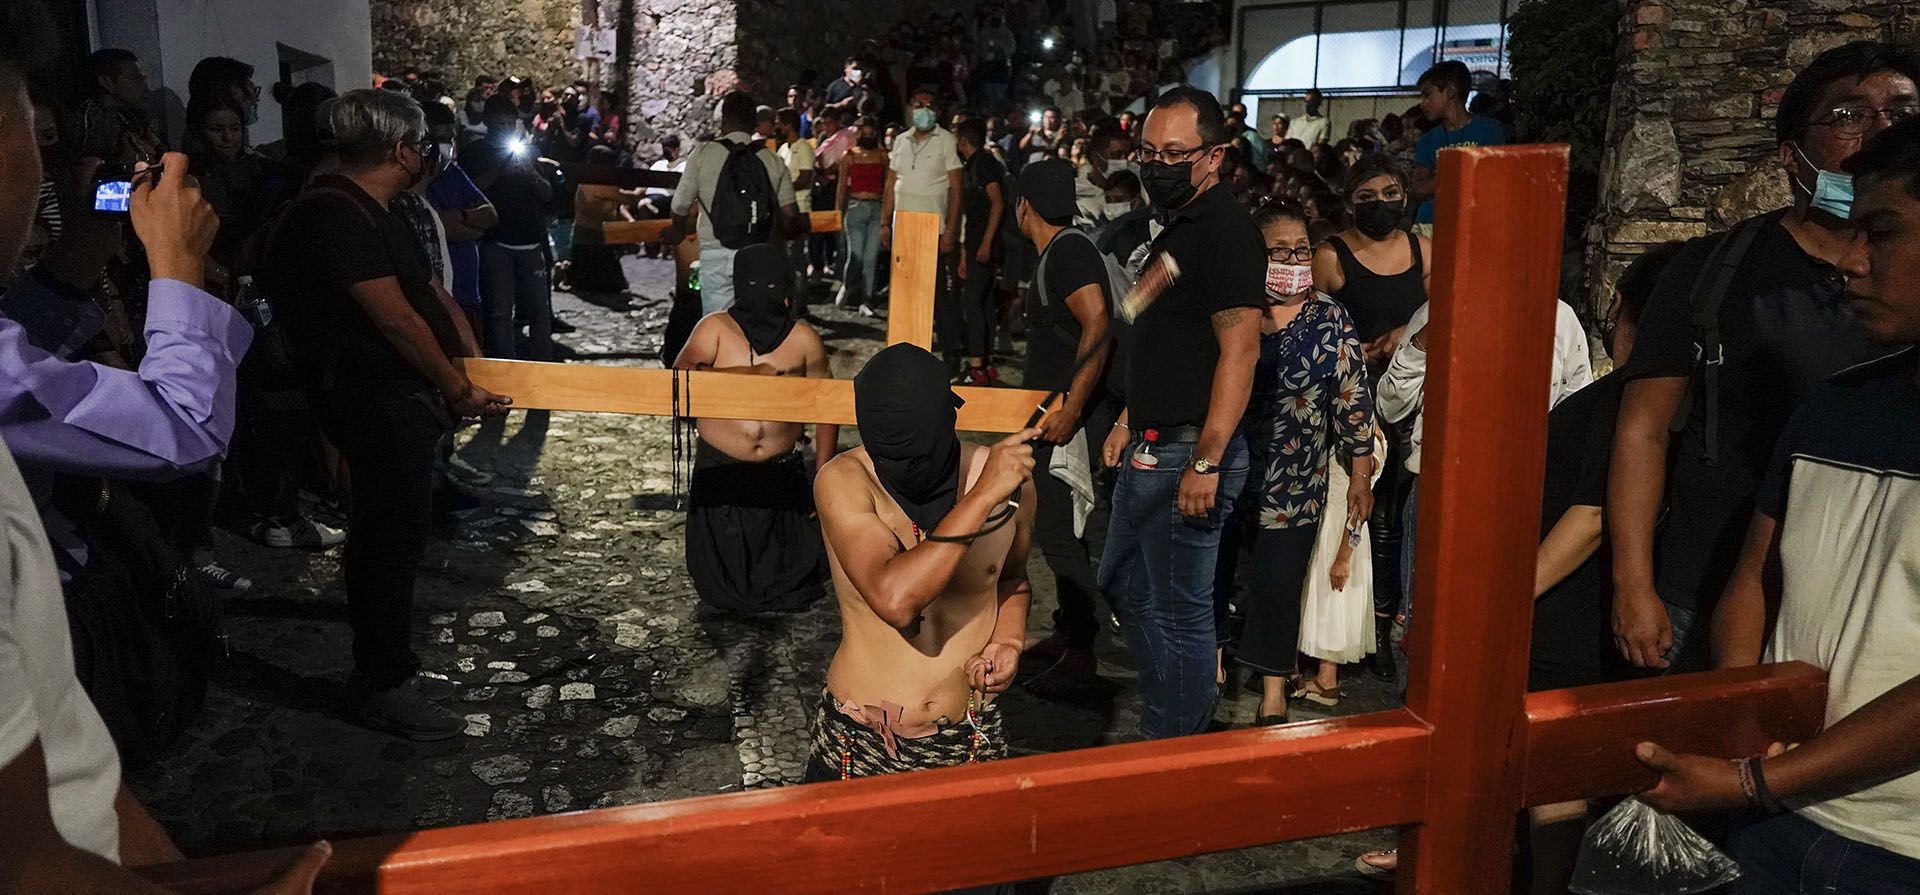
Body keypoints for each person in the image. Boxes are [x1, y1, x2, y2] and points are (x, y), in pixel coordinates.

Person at [1635, 117, 1920, 894]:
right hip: (1778, 823)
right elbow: (1753, 580)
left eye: (1881, 233)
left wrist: (1753, 780)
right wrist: (1745, 729)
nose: (1850, 261)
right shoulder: (1833, 407)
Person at [1607, 42, 1917, 674]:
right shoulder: (1712, 270)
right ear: (1789, 154)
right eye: (1849, 115)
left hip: (1862, 603)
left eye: (1903, 111)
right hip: (1705, 586)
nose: (1881, 129)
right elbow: (1642, 429)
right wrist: (1633, 584)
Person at [260, 88, 508, 741]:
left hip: (401, 401)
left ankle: (390, 667)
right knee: (386, 543)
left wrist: (470, 368)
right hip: (371, 402)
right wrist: (454, 385)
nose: (425, 156)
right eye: (420, 146)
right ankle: (383, 682)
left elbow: (428, 292)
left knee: (399, 536)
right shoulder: (333, 215)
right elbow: (394, 317)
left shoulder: (379, 209)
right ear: (401, 150)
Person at [1097, 87, 1265, 740]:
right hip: (1152, 441)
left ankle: (1174, 742)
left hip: (1188, 452)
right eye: (1148, 152)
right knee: (1124, 586)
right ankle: (1174, 713)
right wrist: (1127, 418)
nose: (1157, 165)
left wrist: (1207, 458)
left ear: (1214, 155)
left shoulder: (1225, 231)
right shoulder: (1180, 227)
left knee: (1179, 611)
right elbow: (1160, 336)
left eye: (1174, 153)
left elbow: (1240, 350)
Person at [807, 345, 1037, 790]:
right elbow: (896, 600)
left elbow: (1011, 576)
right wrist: (981, 497)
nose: (904, 468)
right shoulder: (843, 481)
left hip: (969, 740)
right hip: (862, 741)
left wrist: (1008, 640)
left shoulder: (1010, 482)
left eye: (916, 453)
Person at [1233, 198, 1374, 724]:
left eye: (1301, 250)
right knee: (1220, 579)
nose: (1293, 260)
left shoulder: (1330, 317)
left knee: (1277, 584)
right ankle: (1213, 670)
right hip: (1228, 471)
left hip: (1297, 480)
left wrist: (1360, 476)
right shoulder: (1236, 308)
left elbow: (1353, 401)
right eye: (1280, 251)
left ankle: (1273, 692)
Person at [1311, 154, 1431, 683]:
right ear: (1348, 201)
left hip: (1411, 400)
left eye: (1390, 194)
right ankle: (1340, 630)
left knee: (1397, 518)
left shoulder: (1423, 250)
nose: (1380, 204)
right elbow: (1311, 323)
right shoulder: (1331, 255)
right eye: (1367, 196)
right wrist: (1352, 349)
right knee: (1356, 515)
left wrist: (1408, 332)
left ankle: (1386, 626)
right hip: (1351, 402)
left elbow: (1445, 313)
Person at [673, 244, 836, 614]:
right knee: (723, 582)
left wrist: (823, 475)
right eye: (752, 285)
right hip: (723, 471)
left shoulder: (803, 339)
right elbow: (681, 373)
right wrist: (749, 374)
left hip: (779, 473)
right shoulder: (716, 328)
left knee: (790, 576)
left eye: (772, 286)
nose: (762, 294)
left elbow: (828, 406)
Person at [1009, 159, 1115, 698]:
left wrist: (1072, 407)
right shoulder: (1063, 249)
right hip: (1056, 414)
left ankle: (1082, 648)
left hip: (1068, 419)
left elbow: (1098, 320)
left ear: (1023, 204)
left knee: (1057, 531)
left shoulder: (1068, 251)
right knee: (1054, 527)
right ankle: (1071, 631)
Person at [663, 90, 799, 315]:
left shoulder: (703, 154)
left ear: (724, 120)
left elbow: (679, 205)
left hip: (716, 254)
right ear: (754, 124)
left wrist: (678, 230)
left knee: (718, 322)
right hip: (758, 256)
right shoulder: (773, 160)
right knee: (756, 322)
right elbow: (790, 216)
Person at [462, 93, 556, 359]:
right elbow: (470, 191)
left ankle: (544, 363)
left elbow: (547, 193)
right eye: (500, 124)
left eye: (509, 123)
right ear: (488, 122)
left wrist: (529, 173)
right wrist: (500, 167)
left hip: (530, 239)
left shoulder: (528, 153)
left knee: (539, 309)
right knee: (500, 311)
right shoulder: (476, 152)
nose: (505, 129)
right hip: (495, 240)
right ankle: (505, 363)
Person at [881, 87, 964, 330]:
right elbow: (891, 184)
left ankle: (948, 345)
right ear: (910, 108)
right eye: (919, 105)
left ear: (937, 110)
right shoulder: (900, 141)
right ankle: (907, 339)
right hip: (903, 225)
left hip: (932, 227)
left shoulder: (946, 141)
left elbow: (956, 189)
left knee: (936, 291)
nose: (923, 111)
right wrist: (884, 222)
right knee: (904, 288)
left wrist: (950, 230)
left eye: (929, 106)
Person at [421, 103, 497, 339]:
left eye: (449, 139)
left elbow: (490, 214)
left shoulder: (453, 173)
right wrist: (471, 228)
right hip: (439, 298)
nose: (445, 146)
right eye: (439, 139)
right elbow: (440, 228)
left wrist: (459, 217)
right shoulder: (414, 183)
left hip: (468, 295)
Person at [1409, 60, 1508, 234]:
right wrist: (1466, 171)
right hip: (1431, 222)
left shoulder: (1490, 131)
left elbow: (1493, 181)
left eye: (1427, 95)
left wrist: (1440, 177)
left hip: (1476, 220)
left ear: (1450, 92)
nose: (1422, 103)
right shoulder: (1428, 141)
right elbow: (1418, 189)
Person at [951, 118, 1007, 386]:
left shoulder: (983, 163)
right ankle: (986, 363)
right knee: (982, 303)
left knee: (972, 303)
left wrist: (986, 243)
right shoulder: (973, 164)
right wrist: (966, 253)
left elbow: (997, 203)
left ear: (963, 140)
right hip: (975, 244)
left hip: (983, 245)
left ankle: (976, 366)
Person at [837, 116, 889, 313]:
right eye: (864, 132)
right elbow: (841, 186)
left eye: (871, 132)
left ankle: (866, 300)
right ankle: (848, 285)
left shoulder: (882, 156)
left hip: (876, 207)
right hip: (855, 206)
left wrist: (886, 213)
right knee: (856, 254)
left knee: (871, 257)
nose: (867, 136)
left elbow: (887, 185)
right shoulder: (849, 156)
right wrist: (837, 211)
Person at [73, 48, 162, 163]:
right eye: (134, 78)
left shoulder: (130, 115)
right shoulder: (95, 119)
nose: (145, 87)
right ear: (106, 82)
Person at [775, 107, 816, 304]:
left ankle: (799, 302)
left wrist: (782, 188)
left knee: (796, 259)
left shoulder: (804, 148)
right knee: (786, 258)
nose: (777, 128)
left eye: (779, 124)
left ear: (789, 125)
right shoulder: (783, 149)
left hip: (799, 209)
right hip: (783, 209)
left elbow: (805, 179)